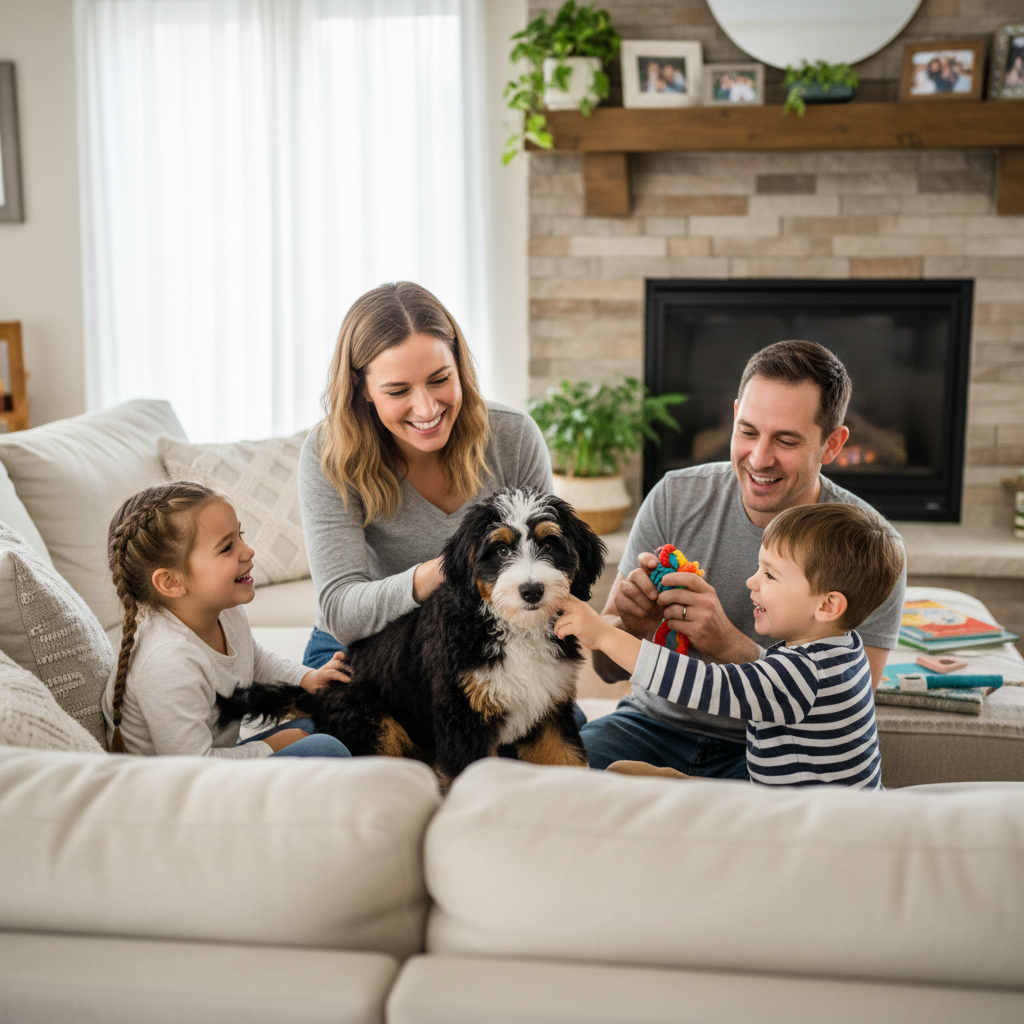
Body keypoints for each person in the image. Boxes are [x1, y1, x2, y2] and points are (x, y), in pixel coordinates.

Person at [581, 339, 906, 777]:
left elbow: (836, 708)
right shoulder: (675, 497)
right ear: (734, 417)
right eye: (748, 431)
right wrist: (634, 629)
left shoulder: (864, 548)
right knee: (553, 785)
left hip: (772, 750)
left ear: (832, 445)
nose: (759, 458)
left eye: (786, 440)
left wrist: (726, 643)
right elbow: (603, 671)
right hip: (651, 722)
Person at [557, 503, 904, 787]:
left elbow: (699, 684)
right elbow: (774, 678)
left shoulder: (804, 675)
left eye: (769, 574)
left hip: (801, 828)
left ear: (827, 606)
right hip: (794, 803)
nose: (751, 582)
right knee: (618, 771)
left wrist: (602, 633)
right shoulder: (842, 650)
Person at [299, 281, 552, 666]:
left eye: (440, 379)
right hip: (365, 647)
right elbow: (341, 610)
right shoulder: (328, 454)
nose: (426, 408)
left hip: (483, 635)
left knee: (568, 725)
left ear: (458, 364)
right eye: (398, 391)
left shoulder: (512, 435)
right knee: (325, 729)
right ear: (361, 387)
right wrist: (445, 569)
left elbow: (550, 560)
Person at [102, 482, 352, 759]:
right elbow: (194, 766)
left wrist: (308, 677)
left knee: (326, 723)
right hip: (182, 788)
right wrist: (273, 744)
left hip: (217, 760)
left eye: (240, 536)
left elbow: (254, 658)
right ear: (172, 582)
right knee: (324, 748)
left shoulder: (226, 610)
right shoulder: (168, 662)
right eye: (227, 548)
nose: (248, 551)